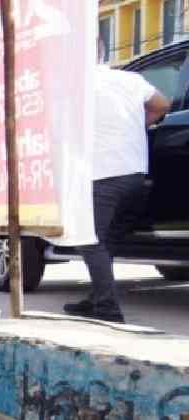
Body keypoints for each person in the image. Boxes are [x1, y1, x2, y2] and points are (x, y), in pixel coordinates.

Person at [64, 38, 170, 323]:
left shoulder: (75, 87)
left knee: (90, 239)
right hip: (136, 175)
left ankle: (108, 311)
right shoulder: (130, 79)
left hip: (103, 175)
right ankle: (97, 296)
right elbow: (162, 104)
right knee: (106, 239)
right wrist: (137, 125)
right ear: (102, 52)